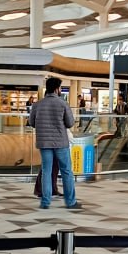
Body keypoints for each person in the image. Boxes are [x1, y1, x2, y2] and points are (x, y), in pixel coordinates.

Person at [27, 76, 80, 210]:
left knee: (46, 171)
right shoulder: (63, 104)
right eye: (60, 87)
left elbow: (31, 123)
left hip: (44, 143)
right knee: (66, 171)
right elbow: (70, 123)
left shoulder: (37, 105)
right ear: (57, 89)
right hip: (60, 143)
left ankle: (45, 202)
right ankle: (71, 202)